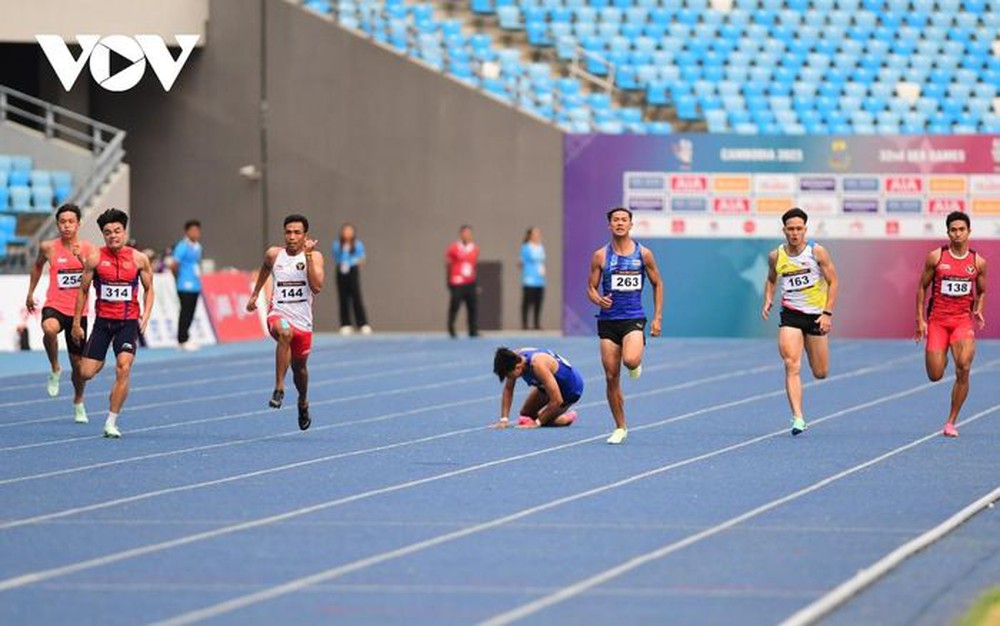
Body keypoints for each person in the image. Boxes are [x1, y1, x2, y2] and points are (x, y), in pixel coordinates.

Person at [72, 208, 155, 438]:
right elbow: (82, 291)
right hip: (102, 323)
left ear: (124, 232)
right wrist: (76, 323)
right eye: (108, 232)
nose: (113, 236)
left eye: (117, 231)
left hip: (127, 323)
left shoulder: (139, 259)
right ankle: (101, 362)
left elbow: (150, 290)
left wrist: (146, 315)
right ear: (104, 235)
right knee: (86, 373)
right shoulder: (95, 258)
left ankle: (111, 421)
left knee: (124, 367)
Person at [587, 207, 664, 445]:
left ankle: (635, 362)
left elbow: (657, 284)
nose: (620, 223)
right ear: (609, 225)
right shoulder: (600, 255)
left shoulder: (644, 254)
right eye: (615, 220)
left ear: (631, 225)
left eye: (624, 220)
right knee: (611, 377)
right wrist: (598, 299)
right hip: (608, 321)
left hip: (633, 318)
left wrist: (657, 317)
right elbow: (590, 288)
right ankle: (620, 427)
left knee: (630, 360)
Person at [762, 207, 839, 436]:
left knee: (820, 372)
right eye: (790, 229)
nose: (795, 233)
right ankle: (798, 417)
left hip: (816, 316)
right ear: (784, 230)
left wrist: (827, 313)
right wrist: (768, 298)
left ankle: (814, 350)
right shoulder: (776, 255)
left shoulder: (817, 252)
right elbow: (771, 279)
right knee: (791, 365)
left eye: (799, 229)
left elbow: (834, 282)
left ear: (805, 230)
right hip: (791, 315)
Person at [246, 214, 325, 431]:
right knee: (284, 333)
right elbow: (264, 268)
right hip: (278, 313)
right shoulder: (274, 254)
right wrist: (255, 295)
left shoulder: (315, 256)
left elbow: (317, 287)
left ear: (305, 235)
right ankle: (279, 387)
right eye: (288, 232)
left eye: (297, 233)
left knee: (300, 370)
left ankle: (303, 401)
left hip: (304, 322)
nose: (292, 237)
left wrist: (307, 256)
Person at [915, 211, 987, 437]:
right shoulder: (936, 257)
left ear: (969, 232)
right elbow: (921, 288)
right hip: (937, 322)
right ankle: (942, 353)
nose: (957, 233)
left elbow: (982, 290)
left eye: (961, 229)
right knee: (935, 375)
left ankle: (950, 422)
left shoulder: (978, 262)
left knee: (964, 367)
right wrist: (920, 319)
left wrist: (979, 309)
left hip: (962, 322)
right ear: (948, 233)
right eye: (953, 230)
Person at [24, 203, 95, 423]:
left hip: (78, 312)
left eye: (70, 222)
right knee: (48, 328)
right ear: (57, 224)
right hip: (55, 304)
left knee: (79, 368)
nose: (66, 226)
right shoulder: (48, 247)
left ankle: (79, 401)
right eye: (62, 222)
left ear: (78, 224)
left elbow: (95, 275)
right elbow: (37, 266)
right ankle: (55, 367)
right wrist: (30, 292)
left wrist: (81, 260)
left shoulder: (89, 249)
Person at [491, 346, 582, 428]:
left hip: (570, 388)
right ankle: (551, 416)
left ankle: (566, 418)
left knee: (546, 421)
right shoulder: (514, 359)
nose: (509, 379)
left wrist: (537, 423)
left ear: (518, 367)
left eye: (509, 376)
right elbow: (508, 389)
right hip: (548, 384)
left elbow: (557, 400)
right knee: (526, 414)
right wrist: (504, 420)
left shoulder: (538, 365)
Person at [332, 222, 371, 335]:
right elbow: (335, 257)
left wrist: (351, 262)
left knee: (356, 296)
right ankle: (345, 324)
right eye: (345, 230)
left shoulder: (358, 244)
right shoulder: (337, 244)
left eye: (350, 231)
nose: (347, 233)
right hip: (341, 271)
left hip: (353, 270)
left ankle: (362, 323)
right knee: (343, 297)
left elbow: (362, 258)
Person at [171, 219, 203, 351]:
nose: (196, 233)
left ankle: (186, 337)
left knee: (191, 312)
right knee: (185, 311)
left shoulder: (198, 247)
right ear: (187, 231)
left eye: (197, 230)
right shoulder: (182, 246)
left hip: (195, 284)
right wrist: (179, 278)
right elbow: (174, 265)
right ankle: (181, 339)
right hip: (184, 284)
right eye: (193, 230)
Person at [445, 225, 479, 338]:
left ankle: (473, 330)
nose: (467, 235)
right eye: (465, 233)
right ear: (461, 234)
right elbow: (448, 264)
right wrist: (449, 280)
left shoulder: (474, 248)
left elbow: (474, 265)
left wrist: (475, 281)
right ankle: (451, 328)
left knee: (472, 307)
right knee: (455, 306)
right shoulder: (454, 248)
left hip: (470, 281)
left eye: (469, 233)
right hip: (457, 282)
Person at [520, 227, 546, 331]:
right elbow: (522, 261)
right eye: (535, 233)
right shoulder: (526, 247)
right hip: (529, 279)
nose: (537, 235)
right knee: (527, 303)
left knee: (538, 302)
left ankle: (536, 323)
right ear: (530, 235)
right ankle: (525, 324)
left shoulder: (541, 247)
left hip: (539, 280)